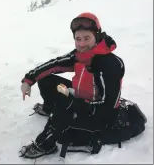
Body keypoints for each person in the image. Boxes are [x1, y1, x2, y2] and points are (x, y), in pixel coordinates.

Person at [19, 12, 146, 159]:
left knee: (63, 103)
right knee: (46, 80)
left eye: (87, 38)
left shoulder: (109, 63)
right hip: (80, 96)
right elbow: (55, 64)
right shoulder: (81, 55)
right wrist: (29, 80)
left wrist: (74, 105)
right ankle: (50, 110)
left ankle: (46, 144)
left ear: (97, 37)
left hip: (99, 114)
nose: (81, 44)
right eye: (78, 39)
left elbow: (109, 105)